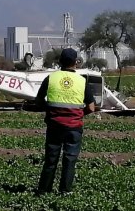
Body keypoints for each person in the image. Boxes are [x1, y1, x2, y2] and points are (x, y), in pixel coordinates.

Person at [35, 48, 95, 195]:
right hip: (74, 127)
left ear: (60, 62)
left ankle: (43, 190)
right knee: (70, 159)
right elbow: (92, 108)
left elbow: (38, 101)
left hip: (54, 125)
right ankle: (65, 191)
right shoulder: (82, 81)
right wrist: (79, 114)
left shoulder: (51, 78)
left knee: (51, 159)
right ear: (76, 62)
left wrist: (50, 111)